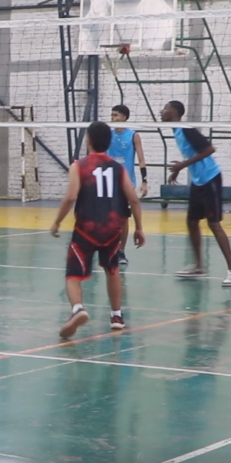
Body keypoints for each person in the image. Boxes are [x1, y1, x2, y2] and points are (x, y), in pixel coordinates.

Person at [50, 121, 144, 337]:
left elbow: (71, 197)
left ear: (89, 140)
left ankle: (78, 309)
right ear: (109, 142)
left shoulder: (79, 166)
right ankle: (117, 316)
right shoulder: (119, 169)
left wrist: (57, 221)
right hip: (112, 229)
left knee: (73, 274)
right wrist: (139, 228)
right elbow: (134, 199)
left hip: (86, 228)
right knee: (113, 270)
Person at [161, 100, 231, 285]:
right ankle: (198, 266)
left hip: (210, 178)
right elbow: (191, 154)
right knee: (192, 221)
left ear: (174, 112)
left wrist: (183, 165)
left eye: (165, 109)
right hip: (198, 181)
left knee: (214, 224)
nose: (161, 112)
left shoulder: (187, 129)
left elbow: (209, 149)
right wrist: (180, 169)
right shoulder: (176, 130)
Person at [108, 104, 148, 265]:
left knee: (124, 218)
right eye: (112, 115)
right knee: (107, 217)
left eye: (116, 115)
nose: (112, 118)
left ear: (124, 117)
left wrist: (144, 181)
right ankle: (108, 248)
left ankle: (121, 251)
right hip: (109, 182)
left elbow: (141, 160)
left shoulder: (133, 135)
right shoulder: (107, 135)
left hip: (126, 183)